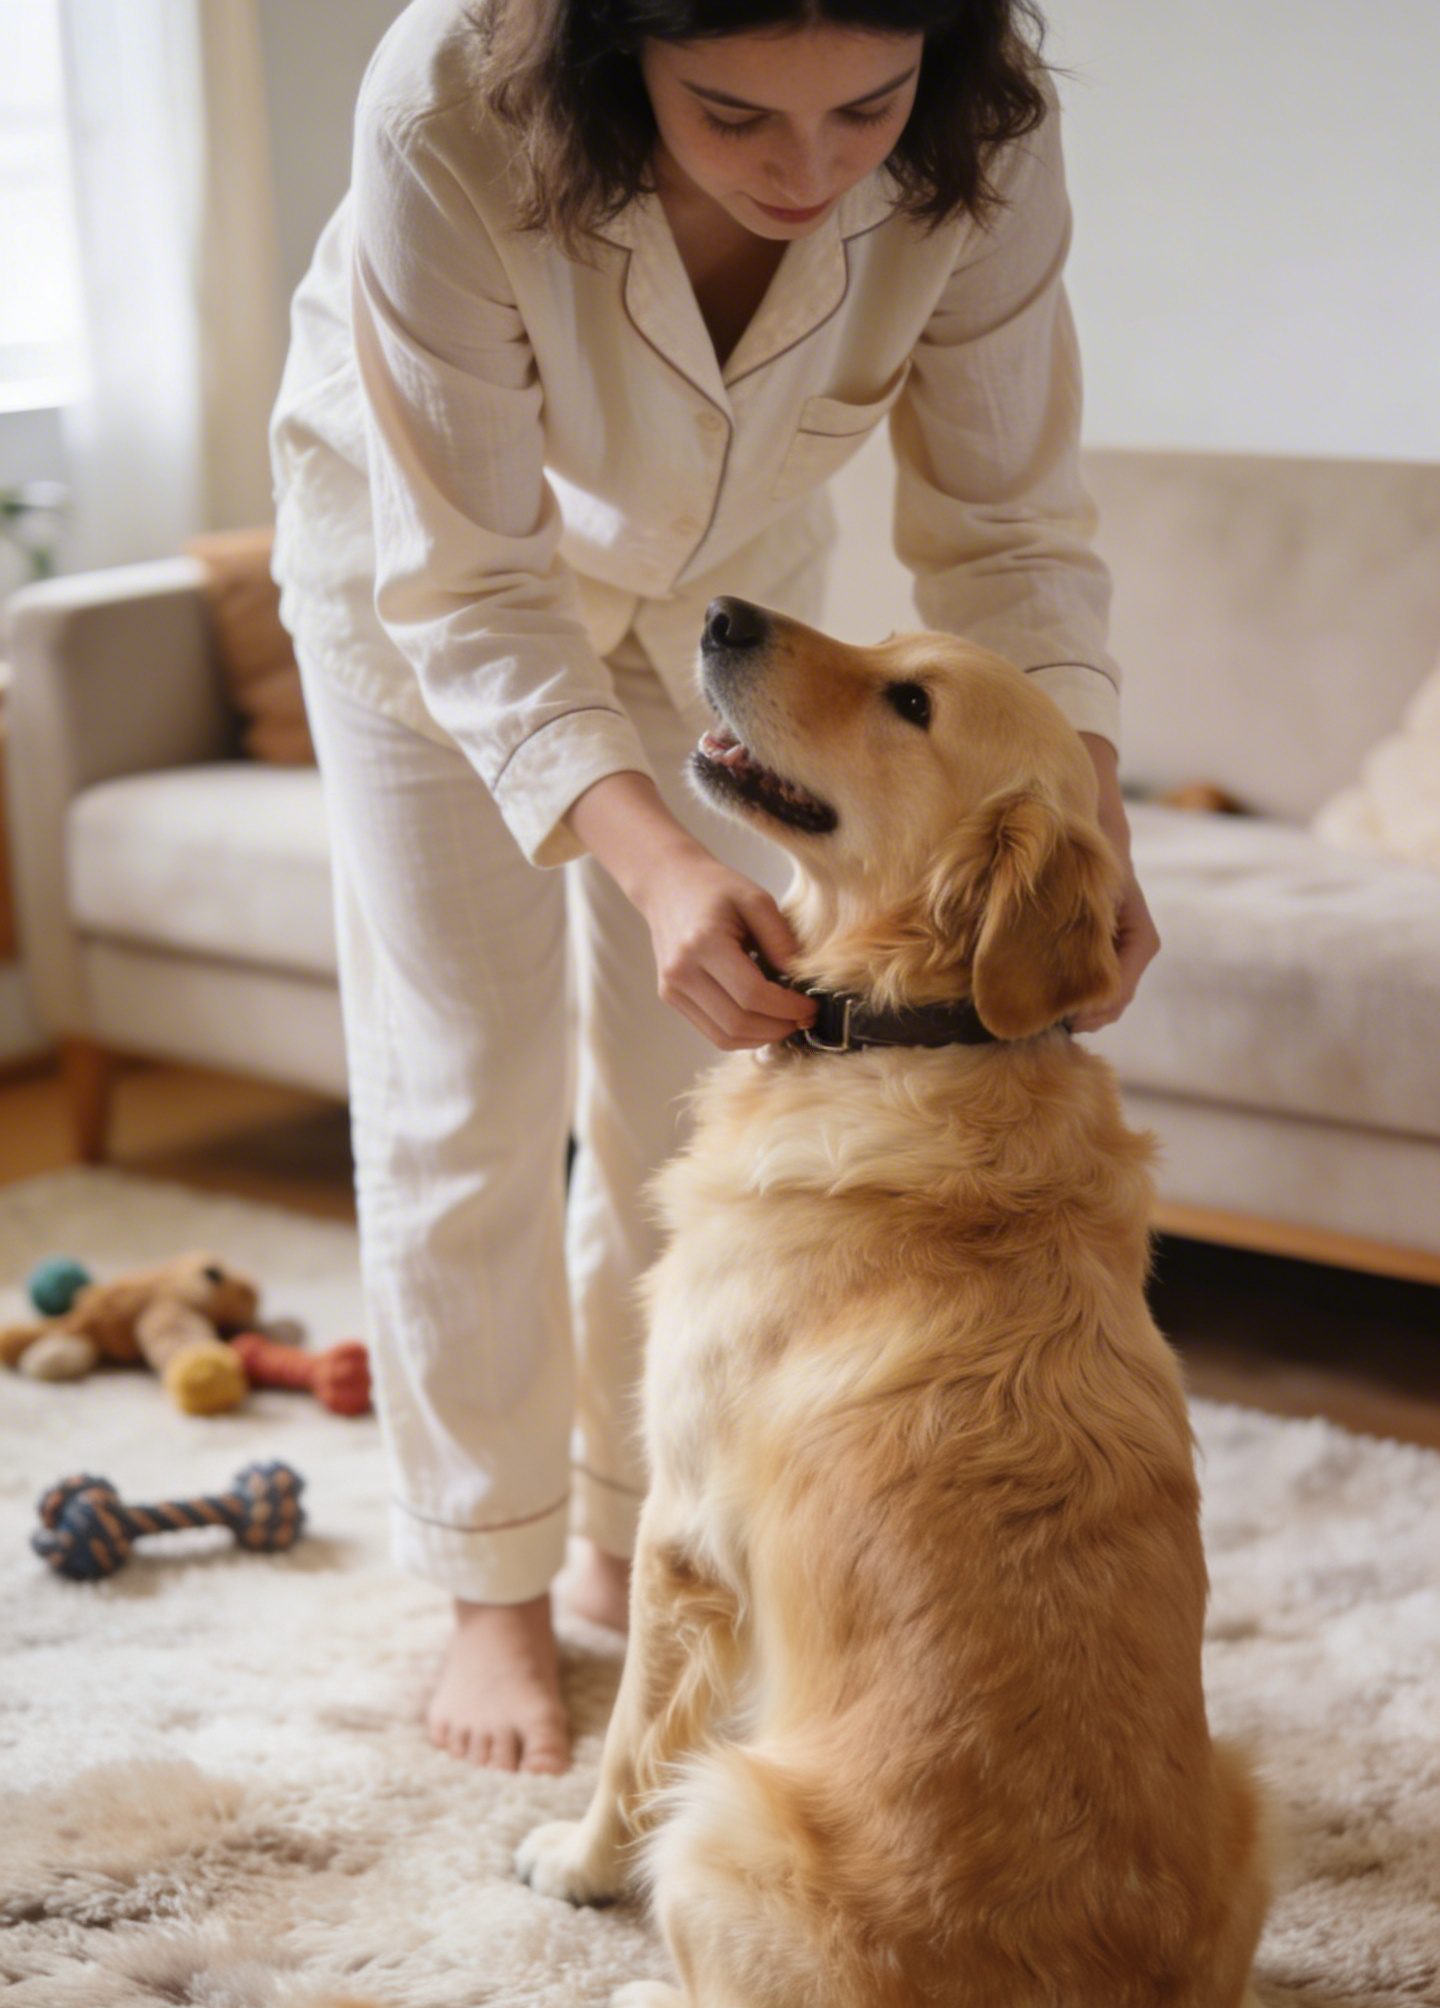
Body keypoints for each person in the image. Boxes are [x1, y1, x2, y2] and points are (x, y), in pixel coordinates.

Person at [269, 0, 1160, 1776]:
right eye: (735, 115)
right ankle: (491, 1595)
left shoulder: (988, 137)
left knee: (691, 1086)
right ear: (617, 57)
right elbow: (475, 590)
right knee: (472, 1088)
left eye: (866, 112)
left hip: (735, 609)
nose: (811, 173)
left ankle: (623, 1519)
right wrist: (657, 857)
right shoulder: (448, 101)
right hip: (430, 590)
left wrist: (1093, 825)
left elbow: (1005, 529)